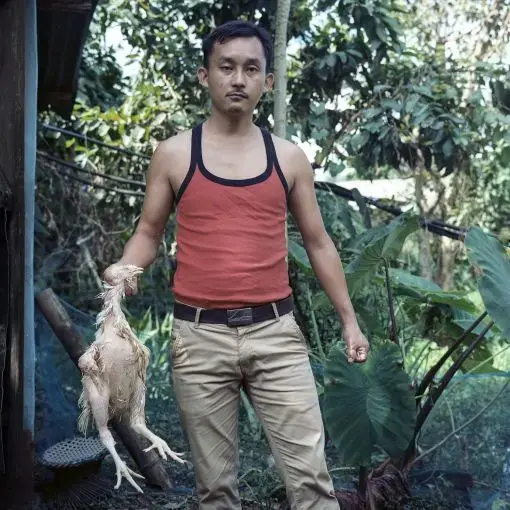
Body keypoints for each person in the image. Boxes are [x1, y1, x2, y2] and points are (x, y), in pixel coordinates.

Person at [104, 19, 369, 510]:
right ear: (205, 75)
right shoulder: (174, 154)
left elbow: (318, 241)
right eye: (226, 67)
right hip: (198, 342)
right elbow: (148, 233)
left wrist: (349, 320)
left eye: (251, 69)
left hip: (278, 337)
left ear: (268, 82)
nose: (238, 79)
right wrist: (125, 272)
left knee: (312, 483)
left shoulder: (288, 158)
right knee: (216, 492)